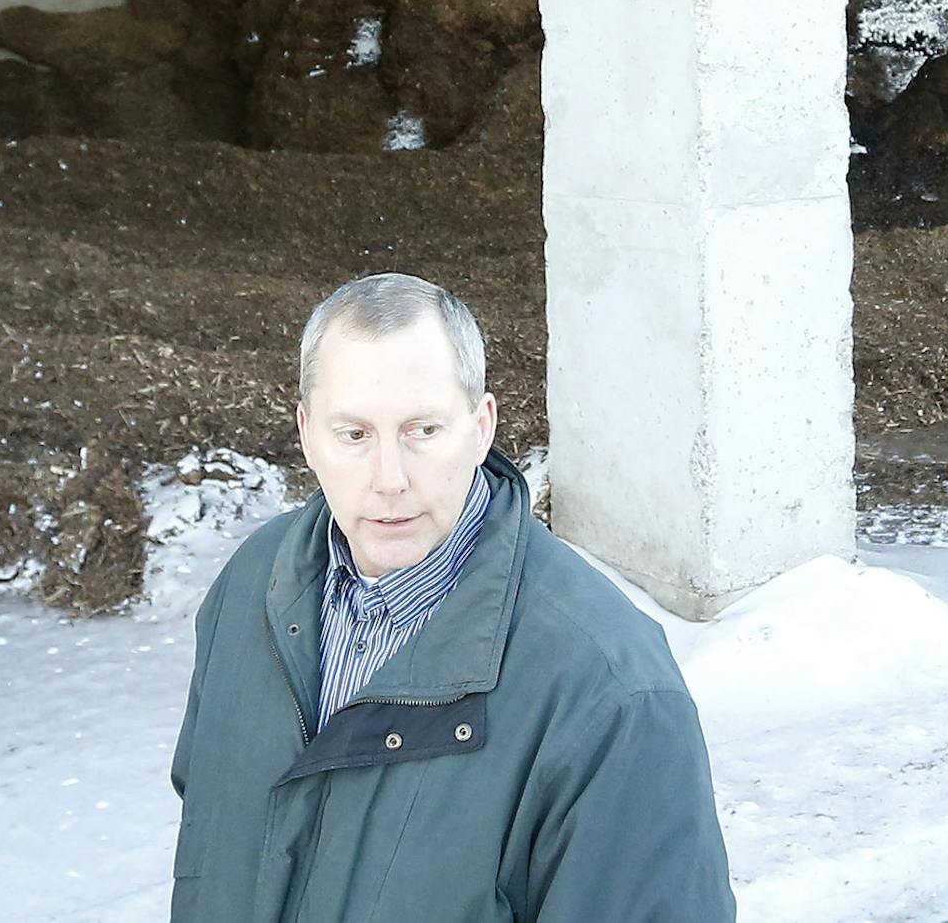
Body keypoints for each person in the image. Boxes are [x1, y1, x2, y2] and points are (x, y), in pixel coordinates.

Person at [169, 272, 737, 921]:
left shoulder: (610, 693)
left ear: (481, 426)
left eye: (423, 431)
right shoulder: (250, 591)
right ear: (305, 433)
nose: (389, 480)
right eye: (354, 435)